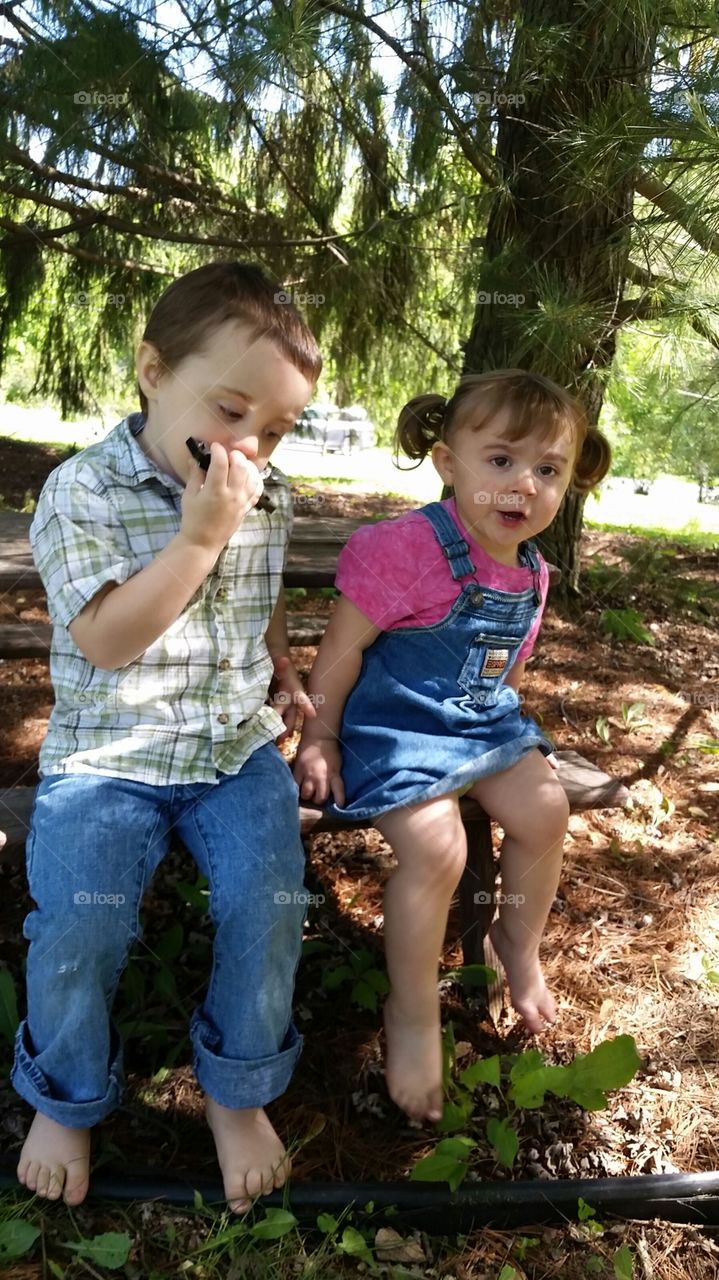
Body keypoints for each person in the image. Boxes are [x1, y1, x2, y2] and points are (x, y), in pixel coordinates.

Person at [13, 261, 322, 1211]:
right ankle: (65, 1098)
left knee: (267, 903)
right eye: (231, 412)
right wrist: (196, 539)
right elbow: (106, 641)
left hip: (230, 750)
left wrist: (282, 667)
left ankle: (238, 1092)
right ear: (153, 369)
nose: (251, 448)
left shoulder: (263, 496)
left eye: (274, 431)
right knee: (80, 917)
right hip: (108, 755)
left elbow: (259, 598)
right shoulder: (83, 492)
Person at [294, 369, 611, 1124]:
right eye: (499, 460)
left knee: (542, 808)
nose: (522, 486)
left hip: (477, 726)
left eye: (546, 470)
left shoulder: (531, 572)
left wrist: (497, 750)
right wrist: (318, 738)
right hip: (391, 731)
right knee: (439, 850)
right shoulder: (405, 549)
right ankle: (410, 1013)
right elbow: (338, 655)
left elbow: (500, 673)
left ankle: (516, 940)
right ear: (447, 462)